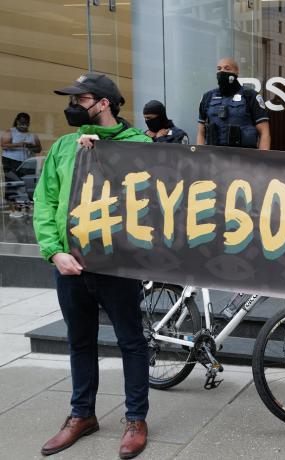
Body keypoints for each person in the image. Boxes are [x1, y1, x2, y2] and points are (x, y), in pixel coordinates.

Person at [33, 73, 151, 459]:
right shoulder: (64, 146)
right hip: (71, 265)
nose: (72, 106)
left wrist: (106, 158)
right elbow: (45, 202)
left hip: (118, 266)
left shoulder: (140, 146)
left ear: (103, 103)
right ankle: (81, 415)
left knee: (131, 342)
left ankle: (136, 419)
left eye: (80, 99)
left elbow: (157, 199)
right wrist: (53, 251)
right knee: (79, 342)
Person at [196, 57, 270, 150]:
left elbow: (264, 132)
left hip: (244, 158)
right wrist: (200, 157)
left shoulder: (250, 96)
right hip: (214, 157)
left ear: (236, 71)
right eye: (219, 69)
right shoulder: (207, 97)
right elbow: (201, 132)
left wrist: (261, 160)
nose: (222, 71)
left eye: (227, 68)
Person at [2, 112, 42, 176]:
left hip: (28, 163)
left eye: (26, 122)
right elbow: (3, 146)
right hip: (11, 161)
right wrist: (19, 144)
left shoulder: (33, 135)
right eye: (21, 122)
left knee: (28, 182)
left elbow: (39, 149)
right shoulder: (10, 132)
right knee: (13, 183)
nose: (23, 124)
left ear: (28, 123)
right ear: (17, 122)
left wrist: (30, 147)